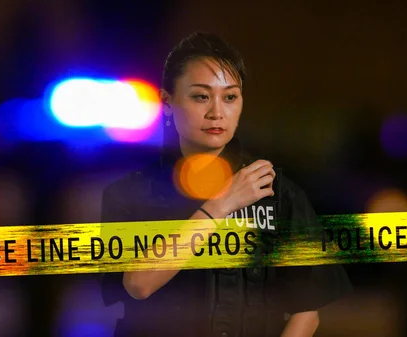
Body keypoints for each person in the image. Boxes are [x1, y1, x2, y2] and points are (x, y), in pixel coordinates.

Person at [99, 31, 352, 337]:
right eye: (201, 96)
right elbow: (139, 284)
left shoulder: (276, 192)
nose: (216, 112)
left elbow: (308, 312)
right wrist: (223, 203)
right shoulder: (131, 193)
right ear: (167, 102)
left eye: (230, 96)